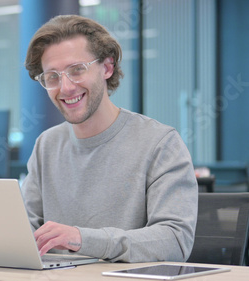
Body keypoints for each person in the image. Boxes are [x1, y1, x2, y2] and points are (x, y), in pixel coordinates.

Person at [21, 15, 198, 263]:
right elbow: (23, 231)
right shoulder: (47, 145)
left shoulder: (160, 143)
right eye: (52, 76)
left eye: (77, 70)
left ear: (107, 67)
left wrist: (83, 239)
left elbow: (175, 241)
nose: (66, 87)